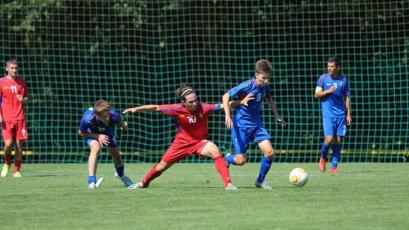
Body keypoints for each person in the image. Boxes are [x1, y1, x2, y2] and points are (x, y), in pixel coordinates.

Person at [124, 84, 250, 190]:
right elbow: (156, 107)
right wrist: (137, 108)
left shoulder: (203, 108)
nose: (195, 103)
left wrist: (241, 102)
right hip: (181, 144)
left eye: (196, 100)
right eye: (191, 101)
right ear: (183, 102)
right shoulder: (176, 109)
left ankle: (228, 184)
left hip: (200, 143)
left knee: (215, 150)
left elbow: (223, 105)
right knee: (161, 167)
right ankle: (143, 183)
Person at [222, 59, 286, 189]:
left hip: (257, 125)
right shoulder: (246, 85)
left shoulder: (265, 87)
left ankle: (260, 182)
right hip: (241, 126)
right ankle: (227, 158)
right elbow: (225, 96)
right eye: (264, 78)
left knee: (269, 152)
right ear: (256, 75)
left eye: (268, 78)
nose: (266, 81)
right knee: (241, 161)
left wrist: (277, 115)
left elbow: (269, 99)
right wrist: (227, 116)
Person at [78, 99, 133, 189]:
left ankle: (121, 175)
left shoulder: (114, 115)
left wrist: (123, 125)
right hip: (91, 132)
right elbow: (80, 132)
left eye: (107, 115)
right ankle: (91, 182)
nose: (107, 118)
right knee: (96, 147)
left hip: (107, 131)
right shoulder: (88, 119)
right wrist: (97, 136)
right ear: (97, 115)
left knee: (116, 156)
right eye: (103, 117)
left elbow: (120, 123)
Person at [314, 56, 351, 174]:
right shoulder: (323, 79)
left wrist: (348, 114)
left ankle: (334, 167)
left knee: (338, 140)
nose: (329, 68)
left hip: (341, 114)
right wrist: (328, 91)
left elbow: (347, 97)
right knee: (329, 139)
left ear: (338, 67)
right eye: (328, 66)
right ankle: (323, 158)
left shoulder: (344, 79)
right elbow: (316, 94)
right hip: (328, 114)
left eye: (332, 66)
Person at [0, 59, 28, 178]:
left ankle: (16, 170)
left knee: (18, 145)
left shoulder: (22, 82)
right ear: (7, 69)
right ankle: (6, 164)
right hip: (7, 118)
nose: (14, 70)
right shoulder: (1, 82)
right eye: (12, 68)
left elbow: (26, 99)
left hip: (20, 118)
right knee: (8, 144)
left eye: (16, 68)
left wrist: (24, 100)